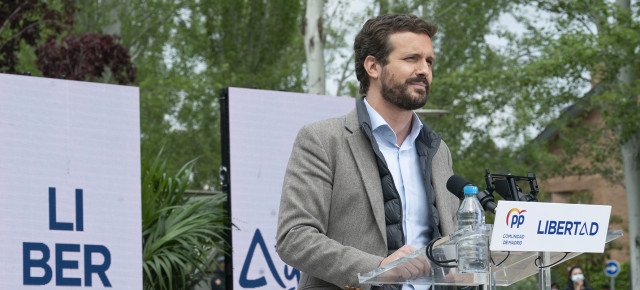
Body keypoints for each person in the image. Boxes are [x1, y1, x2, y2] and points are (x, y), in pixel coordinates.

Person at [276, 14, 459, 290]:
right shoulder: (323, 140)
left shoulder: (439, 150)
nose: (424, 70)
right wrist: (377, 269)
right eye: (411, 59)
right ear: (373, 66)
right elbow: (294, 237)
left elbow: (450, 240)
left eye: (429, 61)